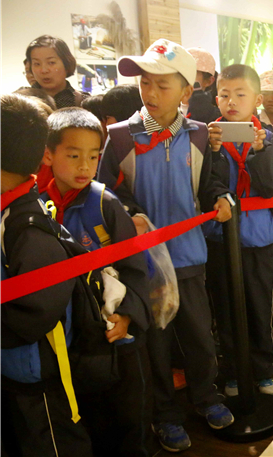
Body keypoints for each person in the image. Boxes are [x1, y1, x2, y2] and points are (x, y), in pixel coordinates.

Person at [97, 39, 234, 453]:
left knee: (199, 337)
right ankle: (165, 414)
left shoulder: (198, 136)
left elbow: (209, 183)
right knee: (155, 345)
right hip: (144, 266)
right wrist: (130, 213)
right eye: (145, 83)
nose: (150, 93)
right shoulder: (119, 138)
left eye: (162, 85)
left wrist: (221, 198)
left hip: (190, 258)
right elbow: (105, 195)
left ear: (186, 91)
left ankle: (206, 397)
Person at [40, 107, 153, 457]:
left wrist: (128, 315)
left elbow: (135, 267)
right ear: (48, 154)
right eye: (74, 156)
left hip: (115, 332)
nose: (85, 167)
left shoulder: (105, 203)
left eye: (93, 156)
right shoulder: (38, 205)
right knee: (88, 414)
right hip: (71, 336)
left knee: (128, 414)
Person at [1, 94, 93, 456]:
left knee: (52, 443)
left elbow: (37, 310)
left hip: (36, 369)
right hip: (15, 366)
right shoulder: (13, 212)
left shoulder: (28, 227)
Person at [206, 64, 273, 398]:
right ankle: (232, 370)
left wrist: (259, 151)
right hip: (219, 237)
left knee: (259, 305)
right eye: (224, 95)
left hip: (259, 237)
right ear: (216, 98)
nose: (231, 102)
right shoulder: (207, 138)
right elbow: (204, 187)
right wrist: (213, 153)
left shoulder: (268, 138)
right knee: (225, 308)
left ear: (257, 100)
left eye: (240, 95)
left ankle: (263, 369)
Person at [26, 35, 89, 108]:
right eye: (37, 64)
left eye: (51, 62)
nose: (44, 70)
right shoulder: (19, 102)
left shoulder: (84, 102)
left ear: (67, 63)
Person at [184, 47, 220, 124]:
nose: (183, 79)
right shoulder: (166, 108)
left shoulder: (216, 117)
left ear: (209, 81)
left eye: (190, 74)